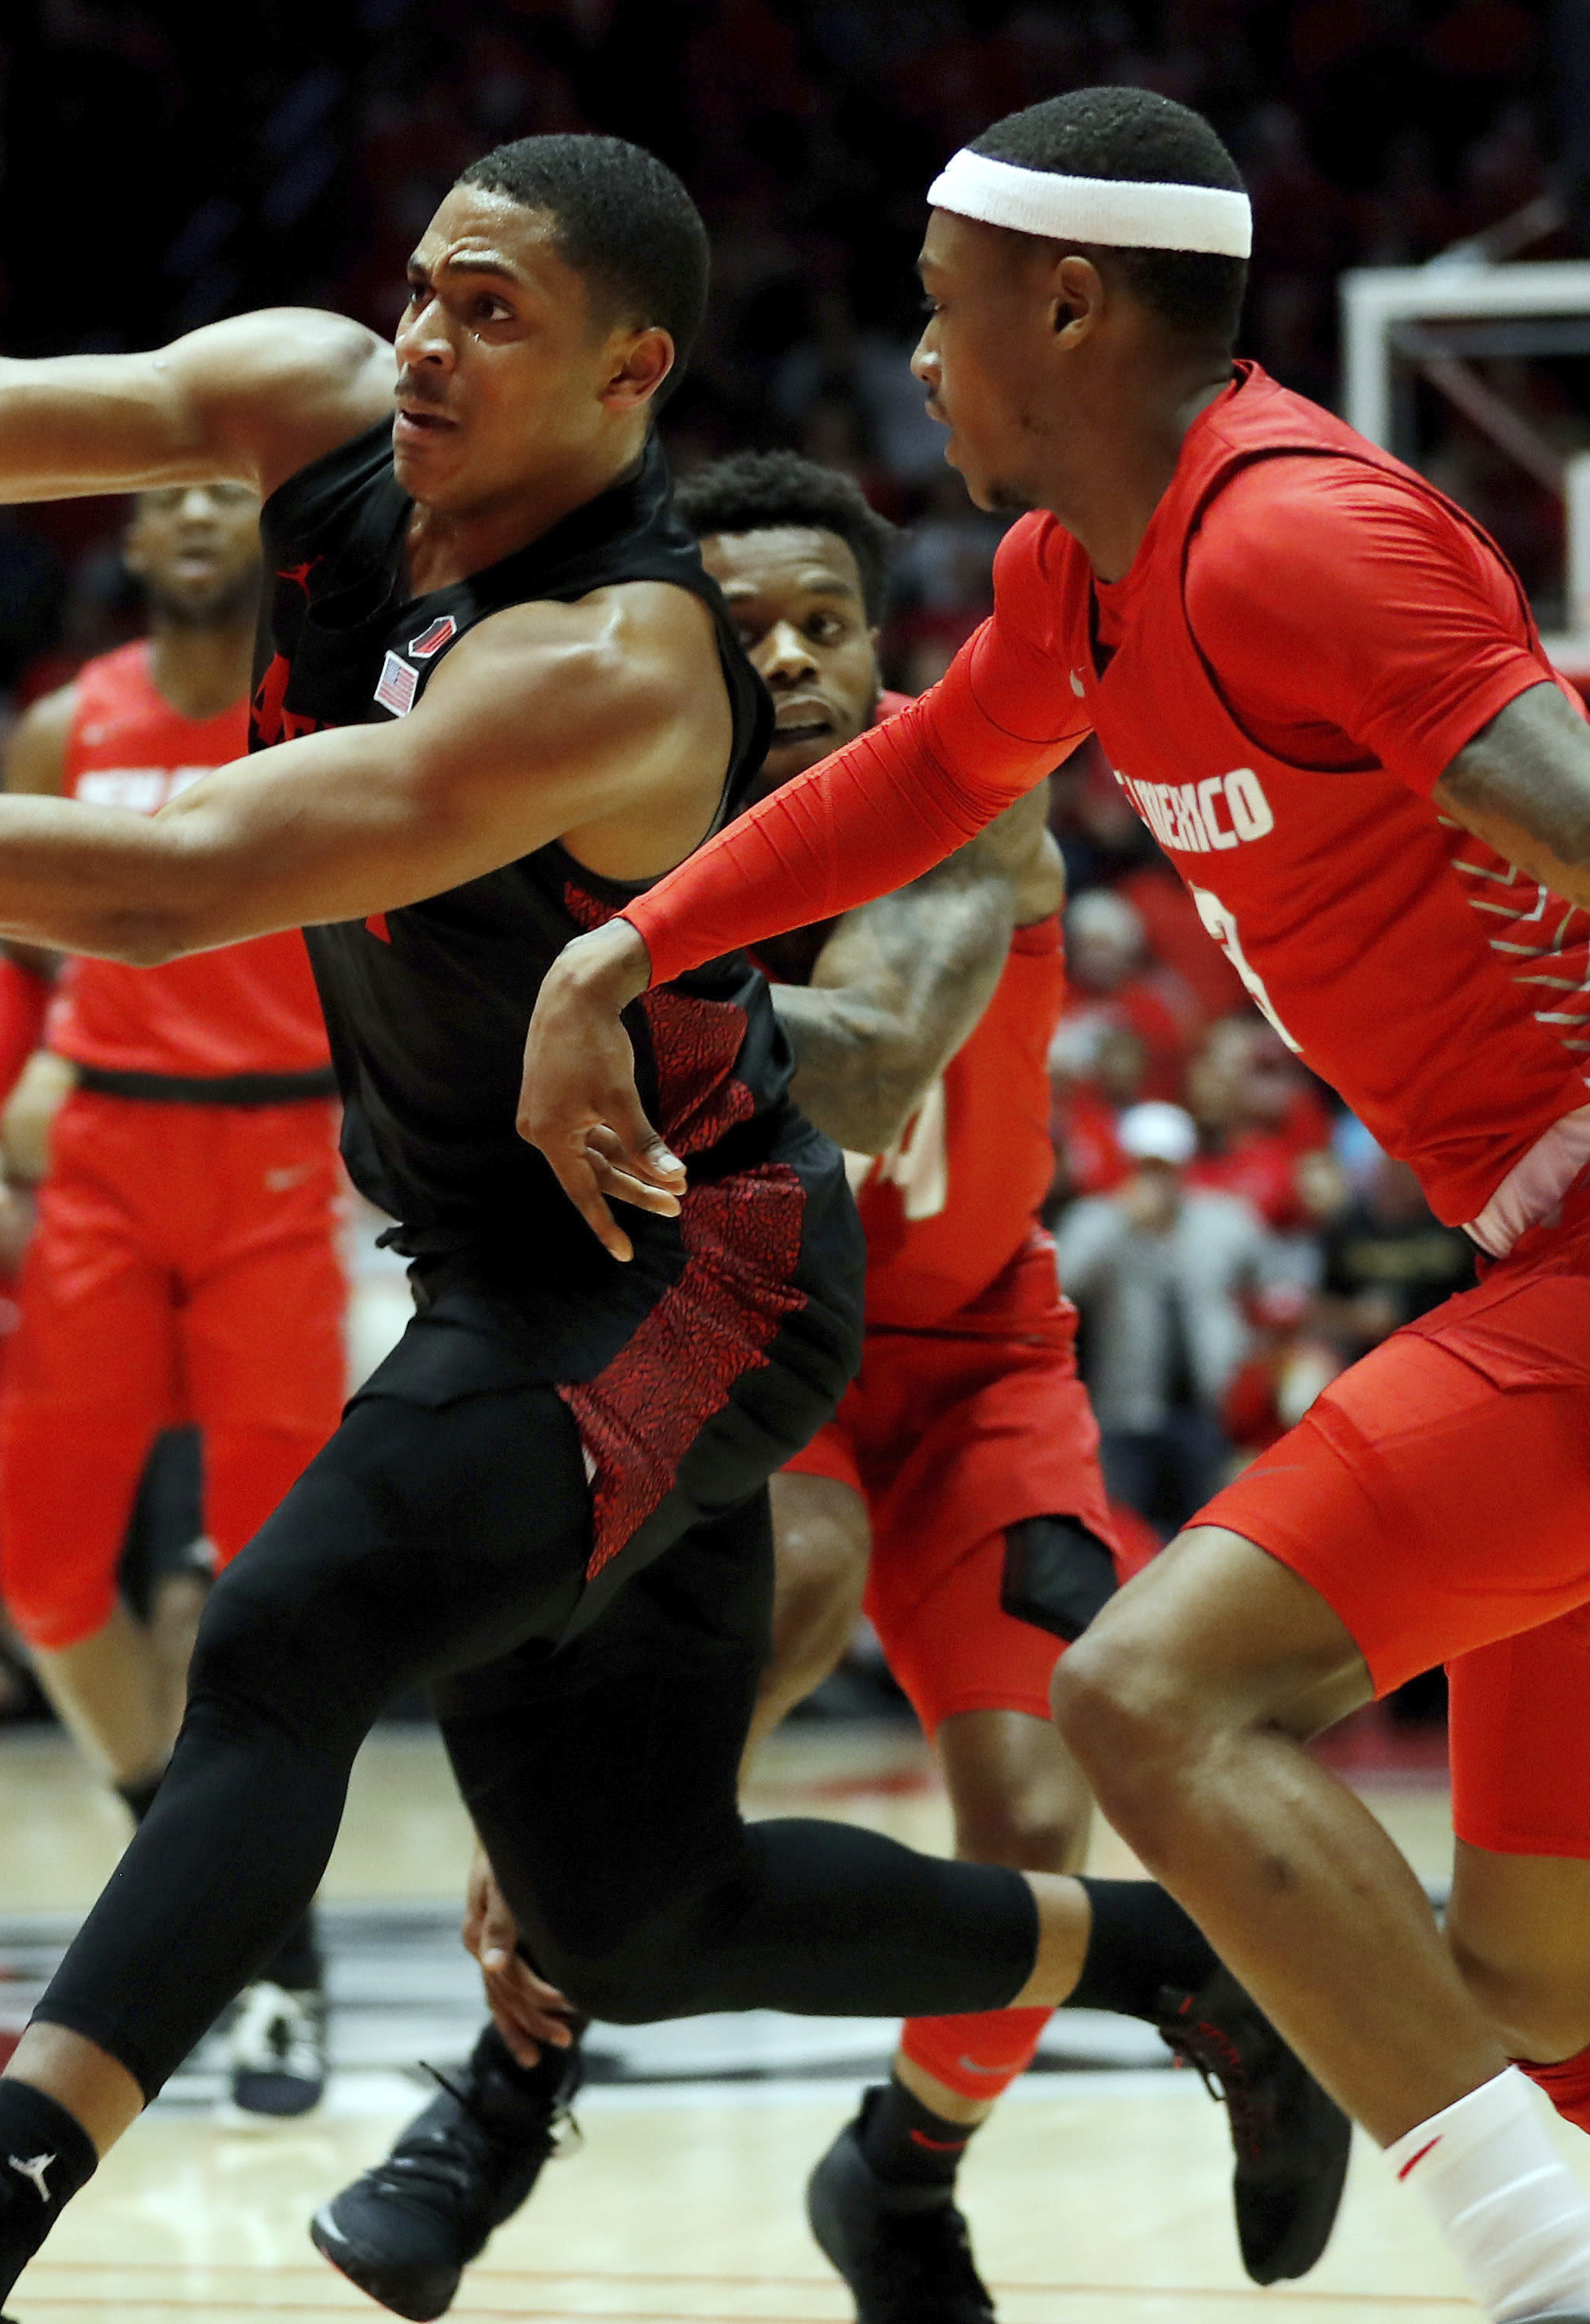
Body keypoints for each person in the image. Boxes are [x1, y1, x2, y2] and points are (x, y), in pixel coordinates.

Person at [0, 131, 1336, 2324]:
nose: (422, 338)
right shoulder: (325, 410)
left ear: (627, 376)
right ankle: (1192, 1968)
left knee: (287, 1635)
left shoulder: (614, 659)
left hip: (683, 1273)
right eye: (425, 285)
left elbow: (175, 878)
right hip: (514, 1267)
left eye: (493, 314)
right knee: (629, 1917)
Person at [518, 87, 1590, 2324]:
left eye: (940, 312)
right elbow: (921, 779)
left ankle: (1558, 2309)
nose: (918, 358)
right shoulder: (1074, 575)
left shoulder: (1292, 543)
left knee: (1141, 1699)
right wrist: (616, 946)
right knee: (1549, 1984)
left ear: (1068, 302)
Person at [324, 450, 1225, 2323]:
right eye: (758, 632)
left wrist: (575, 988)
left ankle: (898, 2175)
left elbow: (885, 1062)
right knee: (744, 1647)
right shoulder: (608, 820)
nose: (805, 662)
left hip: (979, 1354)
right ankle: (512, 2085)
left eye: (835, 624)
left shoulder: (967, 796)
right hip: (754, 1347)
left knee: (1037, 1817)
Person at [0, 480, 348, 2117]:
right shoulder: (62, 728)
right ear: (123, 544)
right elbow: (8, 962)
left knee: (264, 1609)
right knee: (40, 1580)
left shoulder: (319, 711)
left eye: (221, 491)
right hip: (98, 1152)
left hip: (271, 1161)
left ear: (269, 538)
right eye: (160, 489)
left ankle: (277, 1957)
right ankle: (184, 1855)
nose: (188, 510)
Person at [1056, 1098, 1279, 1536]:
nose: (1157, 1179)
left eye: (1166, 1167)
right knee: (1128, 1531)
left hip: (1208, 1410)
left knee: (1205, 1530)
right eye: (1146, 1167)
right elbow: (1062, 1285)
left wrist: (1250, 1351)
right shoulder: (1098, 1220)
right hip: (1125, 1409)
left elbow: (1273, 1285)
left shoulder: (1223, 1219)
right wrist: (1122, 1223)